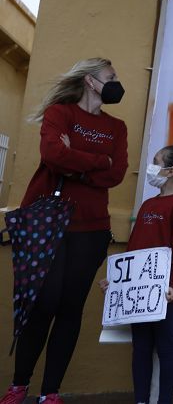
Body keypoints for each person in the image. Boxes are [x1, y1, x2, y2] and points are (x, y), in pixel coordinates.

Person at [3, 59, 128, 404]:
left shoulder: (117, 128)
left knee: (70, 308)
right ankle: (19, 385)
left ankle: (50, 393)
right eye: (111, 78)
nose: (117, 83)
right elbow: (53, 155)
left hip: (92, 228)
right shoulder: (61, 113)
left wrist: (77, 157)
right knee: (43, 303)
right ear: (90, 81)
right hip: (48, 223)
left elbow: (115, 173)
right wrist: (94, 163)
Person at [100, 145, 173, 404]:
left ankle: (164, 400)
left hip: (165, 294)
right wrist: (116, 281)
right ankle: (141, 400)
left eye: (156, 162)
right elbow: (133, 250)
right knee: (141, 347)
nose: (152, 166)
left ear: (170, 171)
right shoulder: (148, 205)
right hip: (138, 293)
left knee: (165, 346)